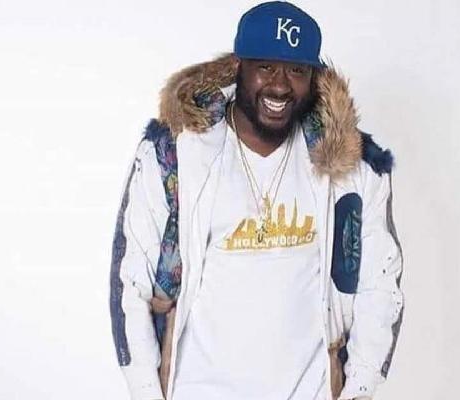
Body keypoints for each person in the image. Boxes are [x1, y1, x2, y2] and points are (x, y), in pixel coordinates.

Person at [109, 2, 404, 399]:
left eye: (296, 70)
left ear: (313, 77)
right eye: (265, 67)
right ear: (239, 67)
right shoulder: (176, 154)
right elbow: (130, 280)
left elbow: (378, 283)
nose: (280, 86)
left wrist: (359, 389)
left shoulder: (352, 167)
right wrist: (146, 390)